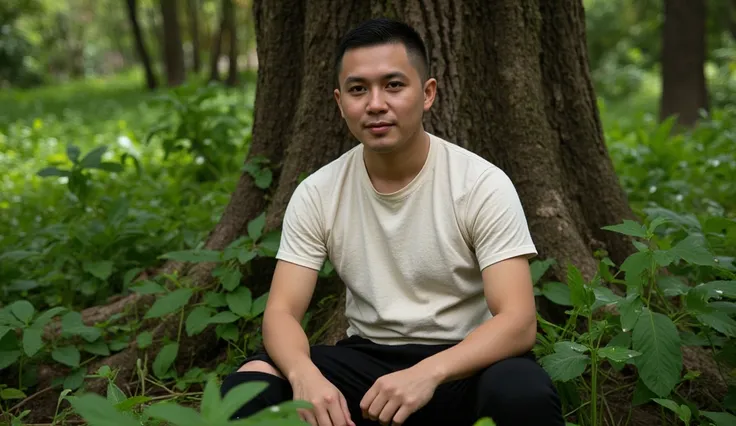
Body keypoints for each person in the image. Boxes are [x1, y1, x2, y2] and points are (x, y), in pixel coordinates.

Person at [220, 17, 565, 426]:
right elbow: (280, 312)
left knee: (521, 394)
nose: (376, 103)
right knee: (249, 386)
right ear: (339, 102)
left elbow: (518, 321)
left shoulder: (480, 184)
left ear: (428, 93)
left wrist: (429, 372)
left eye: (394, 85)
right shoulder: (318, 192)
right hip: (367, 362)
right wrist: (304, 376)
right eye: (358, 89)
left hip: (468, 362)